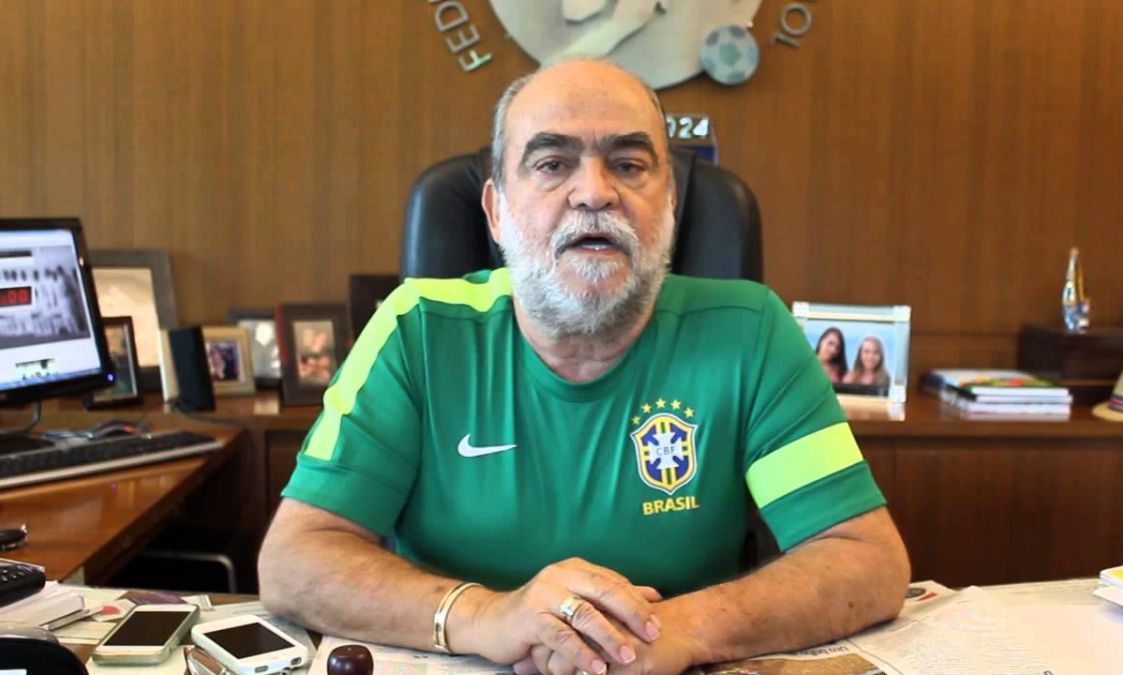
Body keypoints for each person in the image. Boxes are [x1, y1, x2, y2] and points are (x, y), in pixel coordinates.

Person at [258, 59, 909, 675]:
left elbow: (868, 559)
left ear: (671, 202)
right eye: (552, 163)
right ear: (496, 210)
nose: (595, 192)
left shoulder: (751, 331)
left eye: (629, 164)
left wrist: (676, 630)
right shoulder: (415, 330)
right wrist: (487, 616)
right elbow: (294, 559)